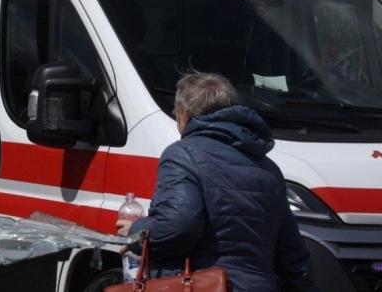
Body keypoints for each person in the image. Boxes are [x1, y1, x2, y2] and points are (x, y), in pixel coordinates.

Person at [116, 72, 315, 291]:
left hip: (202, 285)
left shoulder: (182, 154)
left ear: (184, 113)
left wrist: (137, 231)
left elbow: (177, 226)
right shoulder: (268, 168)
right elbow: (292, 253)